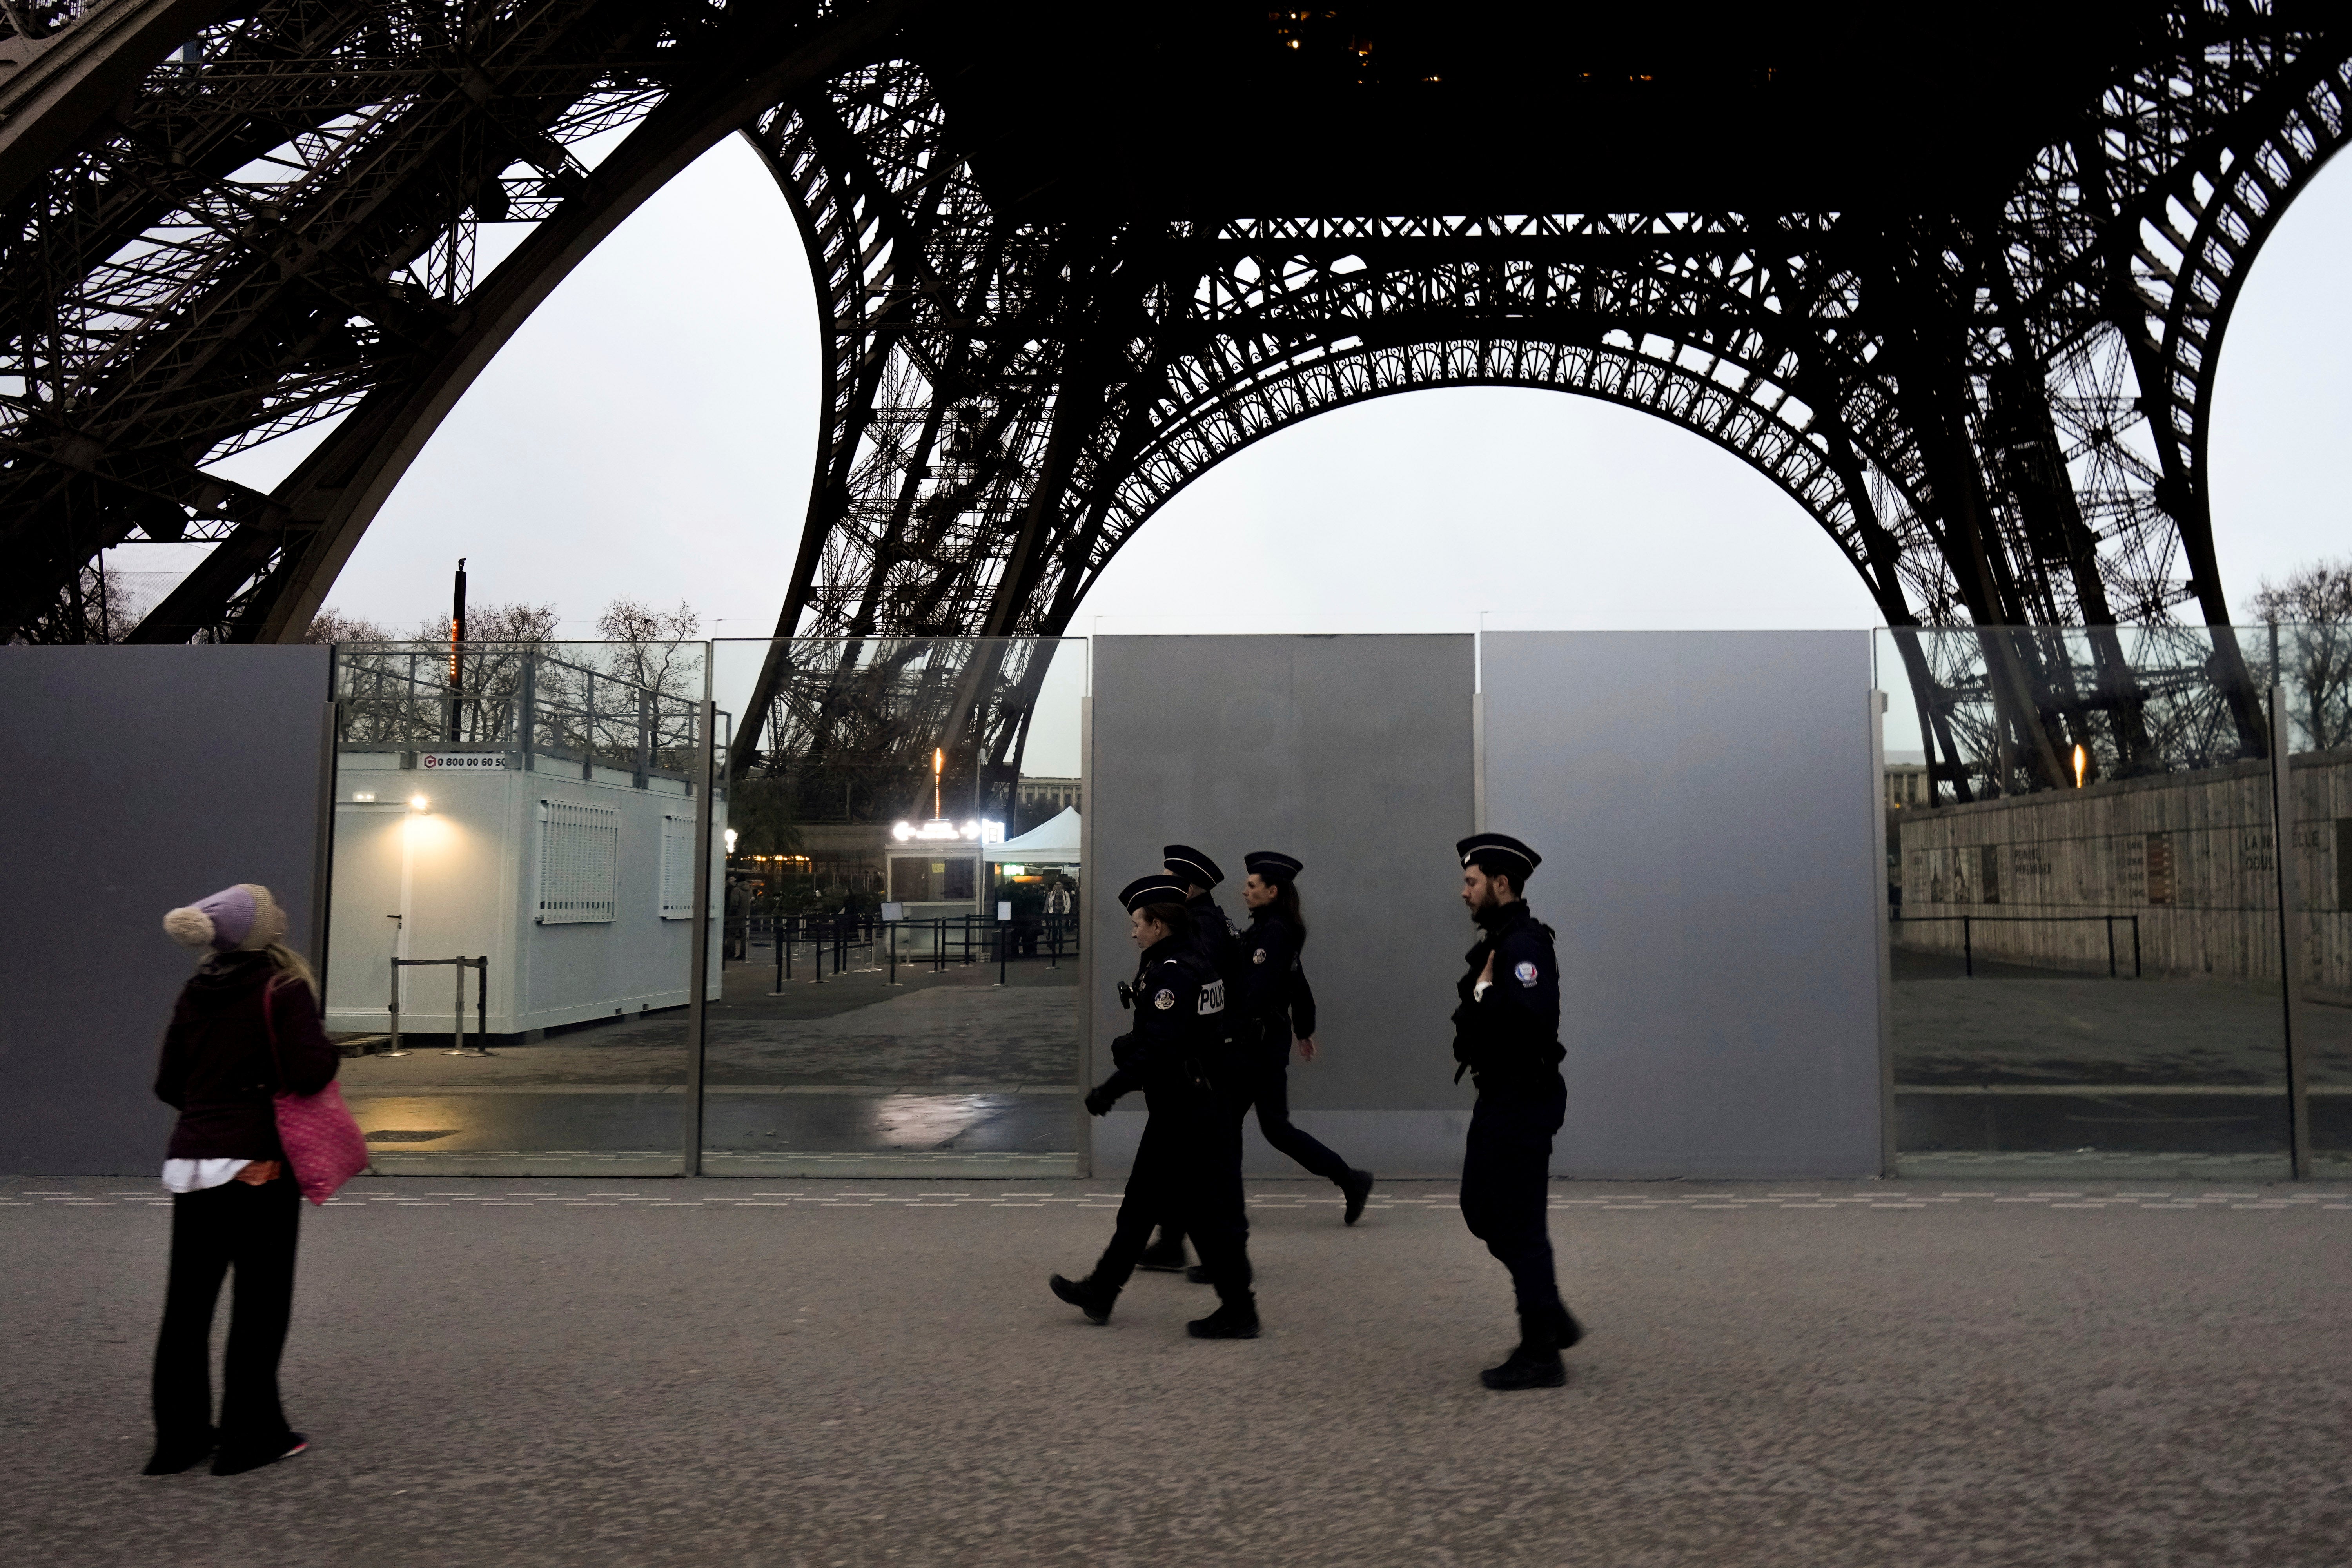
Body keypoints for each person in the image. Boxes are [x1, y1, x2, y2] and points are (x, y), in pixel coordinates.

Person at [146, 883, 339, 1475]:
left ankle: (179, 1440)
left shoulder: (196, 989)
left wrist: (211, 1116)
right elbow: (310, 1073)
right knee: (259, 1301)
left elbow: (168, 1084)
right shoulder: (283, 989)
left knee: (188, 1305)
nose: (282, 911)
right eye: (272, 906)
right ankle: (250, 1436)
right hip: (260, 1164)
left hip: (193, 1163)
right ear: (261, 930)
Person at [1050, 875, 1259, 1339]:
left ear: (1160, 925)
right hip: (1187, 1104)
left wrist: (1112, 1087)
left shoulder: (1173, 971)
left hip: (1187, 1110)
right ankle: (1102, 1290)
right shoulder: (1191, 960)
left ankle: (1240, 1310)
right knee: (1142, 1205)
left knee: (1204, 1217)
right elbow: (1184, 1034)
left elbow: (1163, 1048)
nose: (1133, 932)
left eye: (1138, 924)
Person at [1189, 853, 1370, 1280]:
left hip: (1255, 1046)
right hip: (1265, 1043)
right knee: (1263, 1127)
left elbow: (1254, 990)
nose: (1245, 890)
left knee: (1242, 1128)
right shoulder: (1274, 930)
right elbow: (1299, 981)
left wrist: (1221, 1032)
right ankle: (1348, 1179)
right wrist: (1304, 1028)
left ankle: (1228, 1243)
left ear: (1273, 891)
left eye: (1253, 885)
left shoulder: (1273, 933)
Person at [1451, 833, 1583, 1391]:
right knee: (1481, 1208)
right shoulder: (1500, 939)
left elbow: (1531, 1021)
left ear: (1500, 885)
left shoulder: (1524, 944)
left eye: (1472, 882)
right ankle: (1548, 1311)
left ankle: (1541, 1352)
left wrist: (1484, 998)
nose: (1464, 892)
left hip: (1521, 1099)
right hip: (1501, 1096)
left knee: (1522, 1226)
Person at [1138, 844, 1246, 1274]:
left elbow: (1193, 992)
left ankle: (1224, 1263)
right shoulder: (1210, 922)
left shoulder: (1202, 928)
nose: (1164, 883)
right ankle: (1173, 1243)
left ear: (1189, 885)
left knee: (1201, 1161)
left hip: (1199, 1063)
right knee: (1188, 1158)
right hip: (1205, 1059)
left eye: (1170, 877)